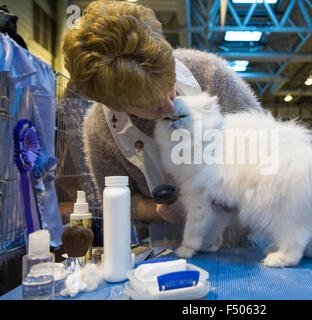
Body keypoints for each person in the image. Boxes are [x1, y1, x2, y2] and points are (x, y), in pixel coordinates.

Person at [62, 0, 263, 247]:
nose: (170, 108)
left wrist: (228, 188)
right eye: (151, 107)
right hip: (168, 247)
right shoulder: (100, 129)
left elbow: (265, 149)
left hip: (240, 241)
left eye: (169, 88)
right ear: (116, 105)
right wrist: (157, 210)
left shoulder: (211, 75)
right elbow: (118, 202)